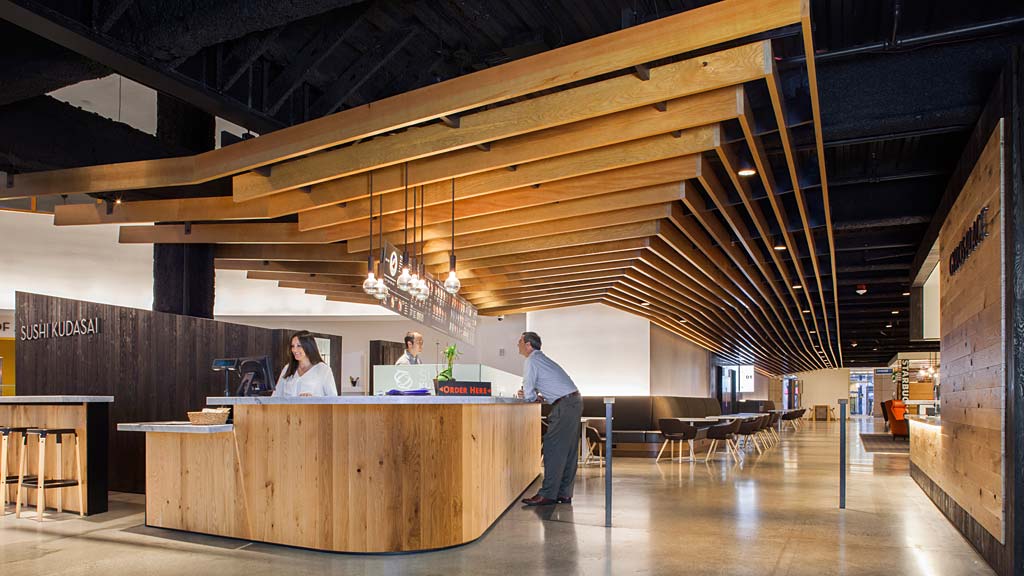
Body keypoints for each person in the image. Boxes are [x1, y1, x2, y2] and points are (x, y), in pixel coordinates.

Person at [516, 331, 581, 506]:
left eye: (520, 342)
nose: (518, 345)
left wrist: (528, 396)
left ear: (528, 345)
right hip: (573, 401)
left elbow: (528, 393)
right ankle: (564, 493)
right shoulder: (541, 359)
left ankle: (547, 494)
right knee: (568, 451)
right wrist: (538, 397)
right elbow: (549, 387)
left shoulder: (531, 361)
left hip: (565, 406)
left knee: (553, 448)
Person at [272, 330, 338, 397]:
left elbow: (333, 399)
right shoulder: (287, 368)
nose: (294, 350)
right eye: (292, 346)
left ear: (308, 346)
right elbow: (275, 396)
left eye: (299, 346)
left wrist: (313, 399)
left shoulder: (323, 370)